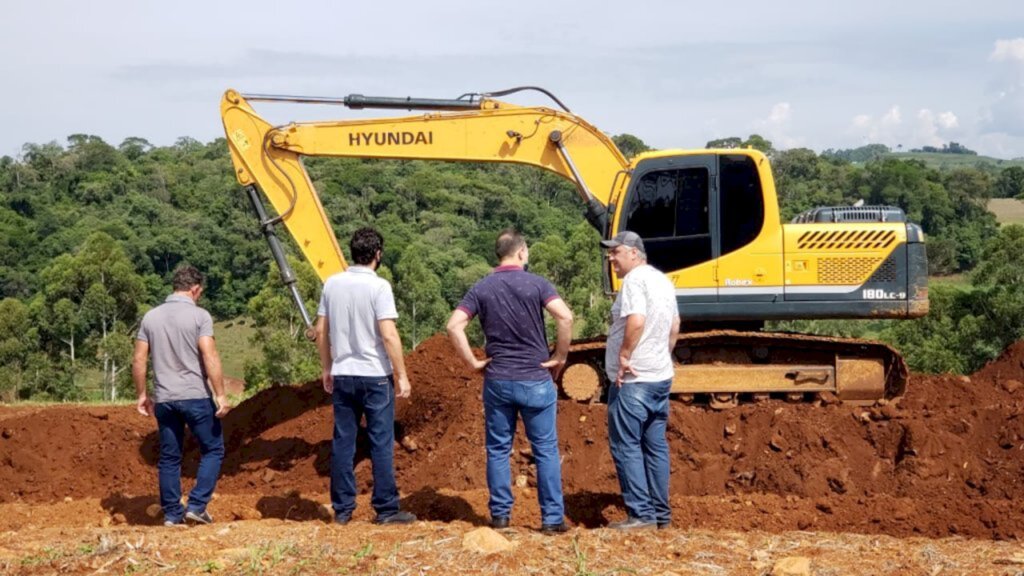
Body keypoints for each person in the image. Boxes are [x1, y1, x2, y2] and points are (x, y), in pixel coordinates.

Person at [446, 228, 574, 534]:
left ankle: (501, 517)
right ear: (522, 252)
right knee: (545, 450)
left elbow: (454, 326)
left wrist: (474, 362)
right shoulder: (538, 284)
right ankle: (553, 520)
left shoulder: (482, 288)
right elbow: (565, 317)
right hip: (535, 378)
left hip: (498, 380)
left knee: (498, 449)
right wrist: (560, 355)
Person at [316, 227, 416, 526]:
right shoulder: (380, 287)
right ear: (377, 254)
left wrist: (326, 367)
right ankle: (386, 509)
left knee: (343, 442)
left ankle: (343, 511)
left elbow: (322, 331)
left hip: (343, 375)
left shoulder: (332, 284)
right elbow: (388, 333)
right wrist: (402, 374)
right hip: (374, 376)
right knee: (380, 441)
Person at [133, 265, 231, 527]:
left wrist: (142, 394)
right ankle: (197, 506)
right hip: (195, 396)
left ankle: (173, 516)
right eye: (200, 292)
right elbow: (209, 355)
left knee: (169, 457)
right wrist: (221, 395)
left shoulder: (150, 318)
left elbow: (139, 358)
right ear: (195, 289)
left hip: (164, 399)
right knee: (213, 449)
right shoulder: (200, 316)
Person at [601, 231, 681, 531]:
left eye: (616, 252)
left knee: (626, 446)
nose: (611, 257)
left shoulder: (634, 281)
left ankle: (641, 515)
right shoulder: (662, 280)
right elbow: (675, 324)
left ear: (634, 253)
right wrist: (663, 354)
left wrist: (624, 356)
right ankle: (661, 515)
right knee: (655, 446)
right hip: (660, 377)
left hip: (634, 380)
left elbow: (636, 320)